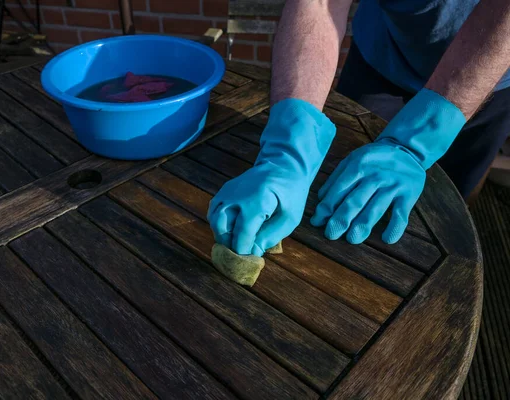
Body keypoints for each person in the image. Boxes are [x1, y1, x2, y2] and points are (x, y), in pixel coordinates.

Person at [207, 0, 510, 256]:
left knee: (451, 205)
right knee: (339, 198)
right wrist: (287, 149)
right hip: (384, 52)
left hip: (488, 75)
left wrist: (421, 138)